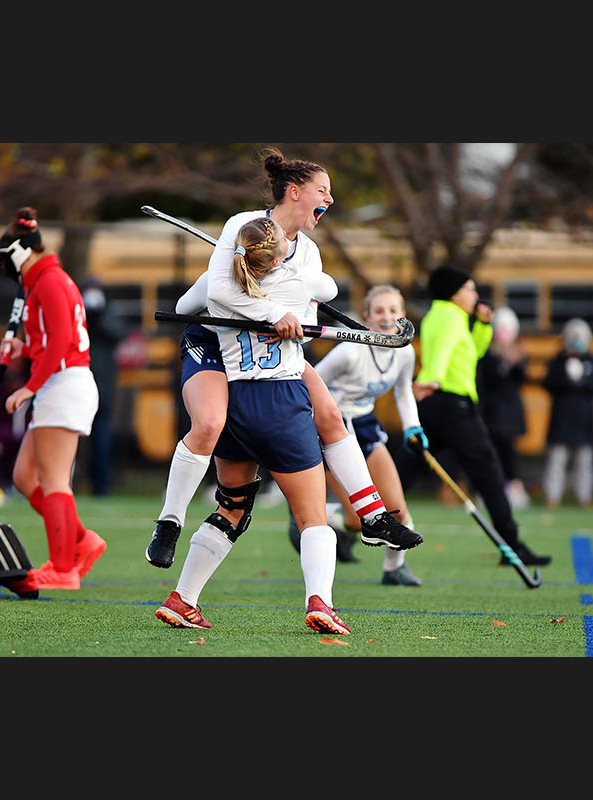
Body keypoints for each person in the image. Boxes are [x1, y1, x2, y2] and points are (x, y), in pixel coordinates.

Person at [146, 148, 421, 570]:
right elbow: (219, 293)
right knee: (208, 423)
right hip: (216, 342)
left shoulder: (307, 252)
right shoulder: (242, 225)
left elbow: (311, 307)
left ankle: (372, 516)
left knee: (329, 413)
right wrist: (275, 312)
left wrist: (290, 305)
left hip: (270, 353)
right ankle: (169, 521)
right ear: (294, 192)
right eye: (322, 191)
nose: (329, 200)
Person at [154, 216, 353, 634]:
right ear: (280, 252)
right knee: (313, 517)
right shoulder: (299, 283)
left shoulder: (222, 287)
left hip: (236, 402)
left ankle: (182, 599)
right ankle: (320, 602)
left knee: (232, 509)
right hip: (281, 403)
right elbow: (330, 289)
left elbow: (186, 309)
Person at [0, 207, 107, 592]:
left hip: (64, 383)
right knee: (25, 477)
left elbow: (61, 341)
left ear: (22, 252)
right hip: (58, 381)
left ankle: (63, 568)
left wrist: (30, 386)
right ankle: (81, 541)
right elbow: (49, 341)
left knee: (55, 479)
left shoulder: (50, 281)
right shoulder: (43, 281)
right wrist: (24, 348)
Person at [413, 265, 551, 567]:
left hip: (436, 404)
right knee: (489, 474)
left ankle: (352, 525)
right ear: (454, 292)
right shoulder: (451, 317)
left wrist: (483, 326)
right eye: (470, 288)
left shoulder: (442, 315)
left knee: (403, 470)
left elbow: (470, 353)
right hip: (454, 405)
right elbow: (442, 355)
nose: (475, 294)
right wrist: (431, 378)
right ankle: (512, 546)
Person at [296, 284, 426, 586]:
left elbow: (404, 390)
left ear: (403, 316)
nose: (386, 316)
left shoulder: (404, 352)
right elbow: (308, 381)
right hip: (332, 429)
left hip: (365, 426)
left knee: (397, 510)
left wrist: (412, 427)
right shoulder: (349, 352)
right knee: (357, 520)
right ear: (367, 317)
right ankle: (315, 514)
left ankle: (394, 569)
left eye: (393, 311)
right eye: (379, 311)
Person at [541, 318, 593, 509]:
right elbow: (548, 384)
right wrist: (568, 380)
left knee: (584, 463)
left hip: (584, 420)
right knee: (556, 460)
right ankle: (552, 497)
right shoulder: (557, 361)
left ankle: (584, 497)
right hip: (561, 419)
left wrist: (582, 382)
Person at [477, 306, 531, 511]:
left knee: (509, 453)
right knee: (492, 454)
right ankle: (490, 491)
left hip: (509, 415)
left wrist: (515, 362)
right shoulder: (488, 353)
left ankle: (514, 490)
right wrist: (504, 363)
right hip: (491, 414)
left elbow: (522, 379)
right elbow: (490, 379)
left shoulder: (519, 353)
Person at [79, 278, 129, 496]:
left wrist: (99, 319)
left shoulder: (108, 313)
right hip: (79, 383)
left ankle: (101, 485)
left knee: (102, 436)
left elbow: (118, 333)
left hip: (104, 388)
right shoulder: (76, 313)